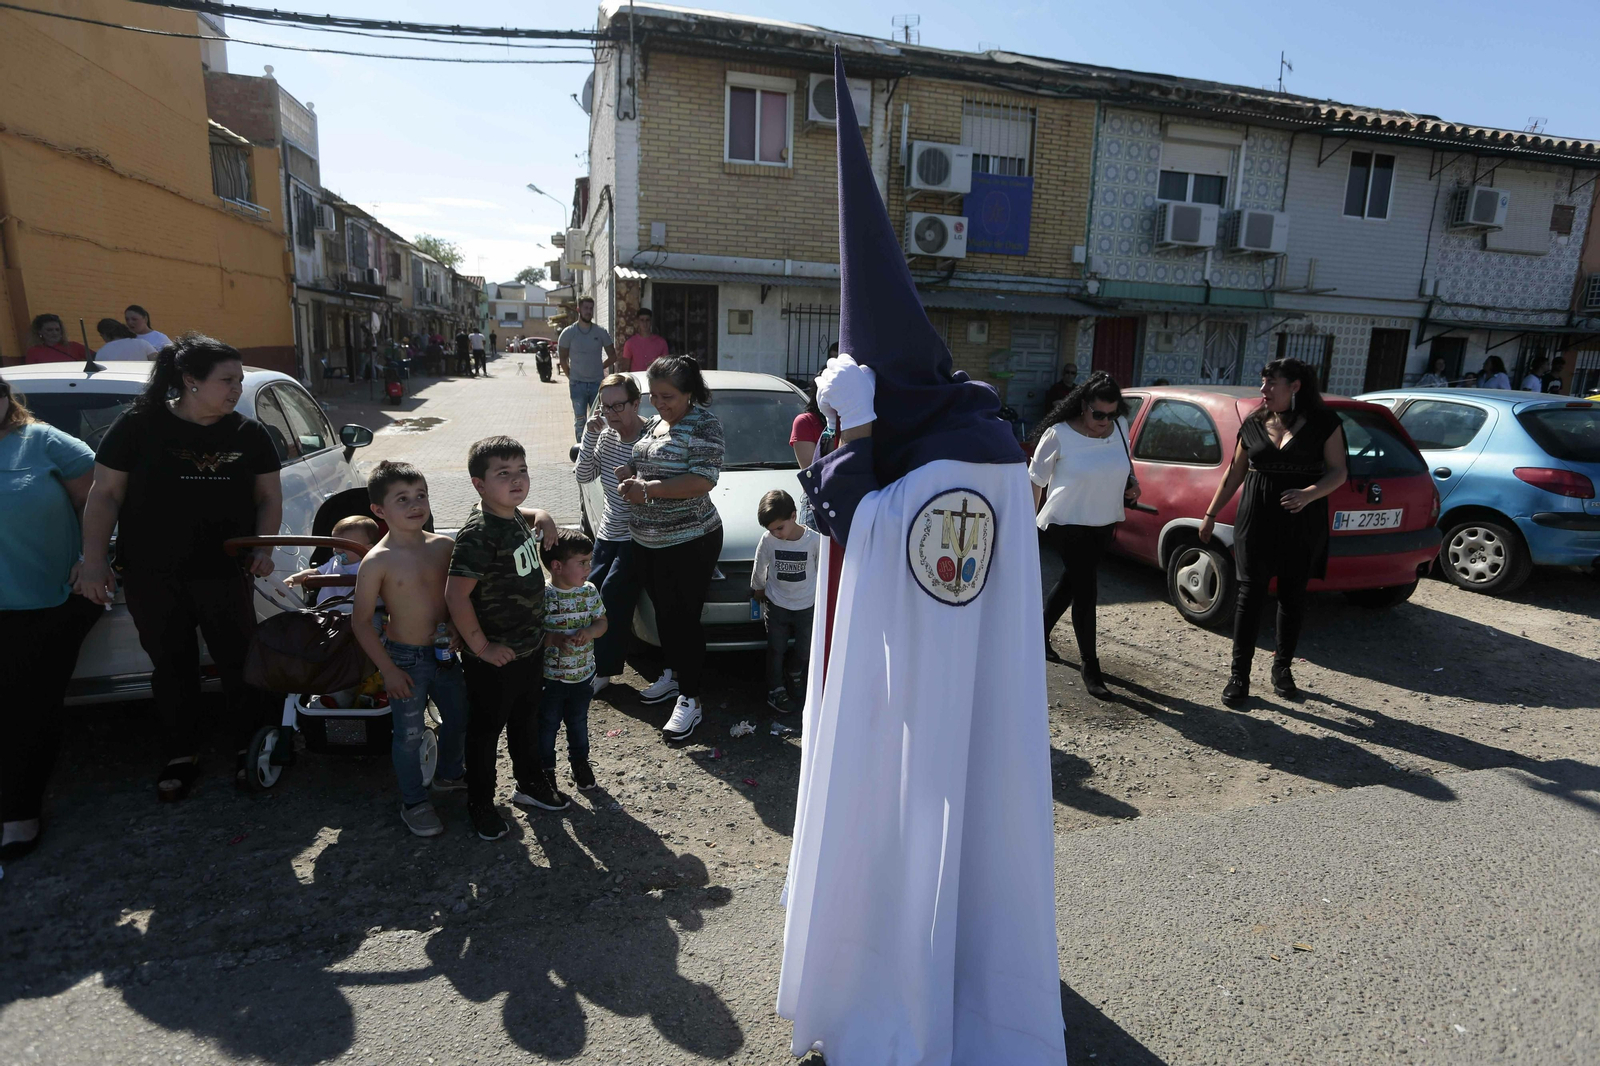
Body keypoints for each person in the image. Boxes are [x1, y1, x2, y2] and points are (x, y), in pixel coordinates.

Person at [779, 55, 1065, 1065]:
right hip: (913, 681)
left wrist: (853, 440)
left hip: (928, 697)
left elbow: (890, 542)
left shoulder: (954, 454)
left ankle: (920, 1003)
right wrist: (849, 446)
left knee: (925, 835)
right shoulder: (956, 426)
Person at [78, 334, 282, 800]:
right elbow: (104, 495)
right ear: (190, 381)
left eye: (240, 380)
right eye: (227, 380)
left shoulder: (248, 434)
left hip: (225, 571)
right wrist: (93, 561)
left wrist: (264, 548)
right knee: (171, 666)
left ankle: (248, 747)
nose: (236, 389)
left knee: (237, 663)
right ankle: (180, 752)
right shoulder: (138, 428)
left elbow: (269, 497)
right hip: (152, 572)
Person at [1200, 358, 1348, 706]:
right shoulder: (1253, 422)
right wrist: (1210, 514)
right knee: (1248, 597)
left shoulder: (1324, 422)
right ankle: (1239, 676)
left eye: (1271, 383)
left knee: (1292, 597)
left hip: (1301, 520)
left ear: (1295, 386)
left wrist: (1310, 494)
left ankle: (1282, 669)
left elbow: (1339, 471)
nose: (1263, 390)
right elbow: (1234, 474)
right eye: (1263, 383)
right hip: (1256, 519)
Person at [0, 376, 104, 861]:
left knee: (25, 708)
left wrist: (92, 558)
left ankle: (18, 811)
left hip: (47, 601)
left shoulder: (43, 443)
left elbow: (98, 503)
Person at [445, 436, 561, 835]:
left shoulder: (510, 514)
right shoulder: (478, 533)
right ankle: (480, 802)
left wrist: (542, 514)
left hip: (529, 648)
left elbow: (521, 512)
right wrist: (481, 646)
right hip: (493, 658)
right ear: (479, 484)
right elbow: (455, 594)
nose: (516, 480)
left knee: (525, 720)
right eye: (503, 474)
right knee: (484, 733)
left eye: (521, 471)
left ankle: (529, 784)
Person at [348, 464, 469, 837]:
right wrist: (388, 669)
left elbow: (459, 601)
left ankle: (449, 775)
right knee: (409, 735)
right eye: (402, 499)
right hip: (404, 660)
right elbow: (361, 621)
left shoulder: (446, 547)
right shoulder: (377, 561)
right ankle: (414, 802)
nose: (416, 505)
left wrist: (458, 632)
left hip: (446, 656)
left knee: (461, 719)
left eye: (421, 495)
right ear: (379, 511)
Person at [615, 356, 725, 742]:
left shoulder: (705, 424)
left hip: (690, 539)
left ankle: (691, 699)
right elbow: (641, 460)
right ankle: (673, 675)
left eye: (669, 397)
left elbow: (703, 479)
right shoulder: (657, 422)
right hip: (647, 538)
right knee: (664, 613)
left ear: (690, 393)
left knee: (683, 619)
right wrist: (628, 474)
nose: (660, 404)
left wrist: (648, 489)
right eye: (654, 396)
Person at [1028, 371, 1140, 700]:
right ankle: (1090, 667)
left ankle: (1037, 633)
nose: (1105, 421)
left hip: (1103, 520)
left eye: (1112, 413)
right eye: (1098, 414)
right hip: (1066, 522)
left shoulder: (1120, 429)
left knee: (1072, 582)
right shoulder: (1058, 434)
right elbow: (1036, 479)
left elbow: (1123, 465)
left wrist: (1132, 484)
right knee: (1086, 588)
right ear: (1083, 406)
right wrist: (1026, 525)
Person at [574, 372, 646, 695]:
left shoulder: (650, 438)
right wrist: (589, 437)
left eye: (618, 406)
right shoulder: (605, 436)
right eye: (605, 408)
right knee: (590, 590)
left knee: (613, 594)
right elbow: (584, 474)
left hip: (638, 535)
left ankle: (603, 671)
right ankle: (585, 661)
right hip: (608, 531)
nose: (611, 414)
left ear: (636, 403)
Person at [538, 529, 607, 799]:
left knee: (578, 722)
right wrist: (552, 638)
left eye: (589, 561)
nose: (589, 568)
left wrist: (589, 632)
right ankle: (546, 771)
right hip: (550, 679)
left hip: (583, 676)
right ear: (557, 566)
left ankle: (580, 763)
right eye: (582, 563)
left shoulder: (589, 592)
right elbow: (531, 634)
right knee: (547, 726)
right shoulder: (542, 595)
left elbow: (602, 622)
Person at [750, 490, 820, 715]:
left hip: (806, 605)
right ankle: (776, 688)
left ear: (793, 516)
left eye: (779, 528)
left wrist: (821, 596)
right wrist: (758, 587)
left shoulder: (814, 541)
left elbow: (821, 569)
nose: (776, 534)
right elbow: (760, 564)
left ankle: (796, 672)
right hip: (777, 604)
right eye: (771, 530)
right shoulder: (769, 540)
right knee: (776, 649)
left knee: (805, 648)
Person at [283, 515, 380, 607]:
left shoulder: (371, 566)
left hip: (360, 613)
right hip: (326, 612)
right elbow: (315, 572)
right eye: (335, 544)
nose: (338, 550)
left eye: (345, 546)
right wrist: (293, 579)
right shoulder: (333, 562)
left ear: (368, 549)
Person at [558, 297, 617, 441]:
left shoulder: (600, 332)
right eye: (586, 308)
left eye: (591, 308)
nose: (588, 311)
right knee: (580, 421)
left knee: (600, 420)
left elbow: (613, 356)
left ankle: (599, 450)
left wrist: (599, 367)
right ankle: (581, 452)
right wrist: (571, 377)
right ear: (579, 309)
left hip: (597, 384)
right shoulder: (568, 333)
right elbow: (563, 360)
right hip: (577, 385)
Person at [24, 314, 88, 364]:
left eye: (57, 329)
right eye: (49, 330)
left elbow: (96, 358)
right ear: (39, 331)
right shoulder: (33, 352)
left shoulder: (74, 347)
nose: (54, 333)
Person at [620, 307, 668, 372]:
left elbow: (666, 366)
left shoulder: (661, 342)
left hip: (655, 380)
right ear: (638, 322)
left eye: (647, 320)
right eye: (642, 320)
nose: (645, 323)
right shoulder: (630, 343)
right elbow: (625, 368)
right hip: (636, 380)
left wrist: (656, 365)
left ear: (651, 321)